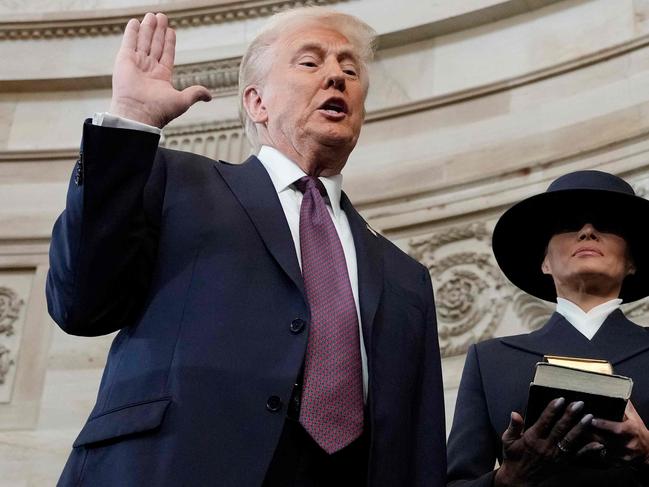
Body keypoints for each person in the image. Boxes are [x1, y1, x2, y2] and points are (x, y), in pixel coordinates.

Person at [46, 7, 447, 487]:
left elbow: (418, 450)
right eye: (310, 62)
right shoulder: (176, 182)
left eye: (350, 69)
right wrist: (131, 121)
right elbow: (80, 304)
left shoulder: (405, 276)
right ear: (257, 102)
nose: (337, 77)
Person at [446, 170, 649, 487]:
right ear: (544, 262)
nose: (587, 231)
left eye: (607, 224)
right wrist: (506, 479)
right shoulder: (490, 361)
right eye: (569, 224)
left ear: (632, 262)